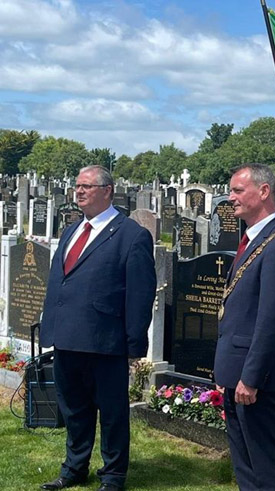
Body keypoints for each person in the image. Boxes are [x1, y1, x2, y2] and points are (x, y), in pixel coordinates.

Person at [39, 165, 156, 491]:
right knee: (74, 409)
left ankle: (113, 475)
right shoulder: (72, 230)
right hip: (67, 337)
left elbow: (140, 294)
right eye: (77, 186)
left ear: (107, 191)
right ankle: (74, 468)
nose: (79, 191)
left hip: (106, 340)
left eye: (87, 186)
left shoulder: (131, 235)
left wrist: (134, 345)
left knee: (113, 414)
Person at [214, 163, 275, 491]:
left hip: (258, 379)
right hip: (238, 371)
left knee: (266, 467)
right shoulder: (254, 239)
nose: (231, 197)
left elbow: (272, 321)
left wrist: (251, 378)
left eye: (238, 190)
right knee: (246, 467)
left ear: (264, 191)